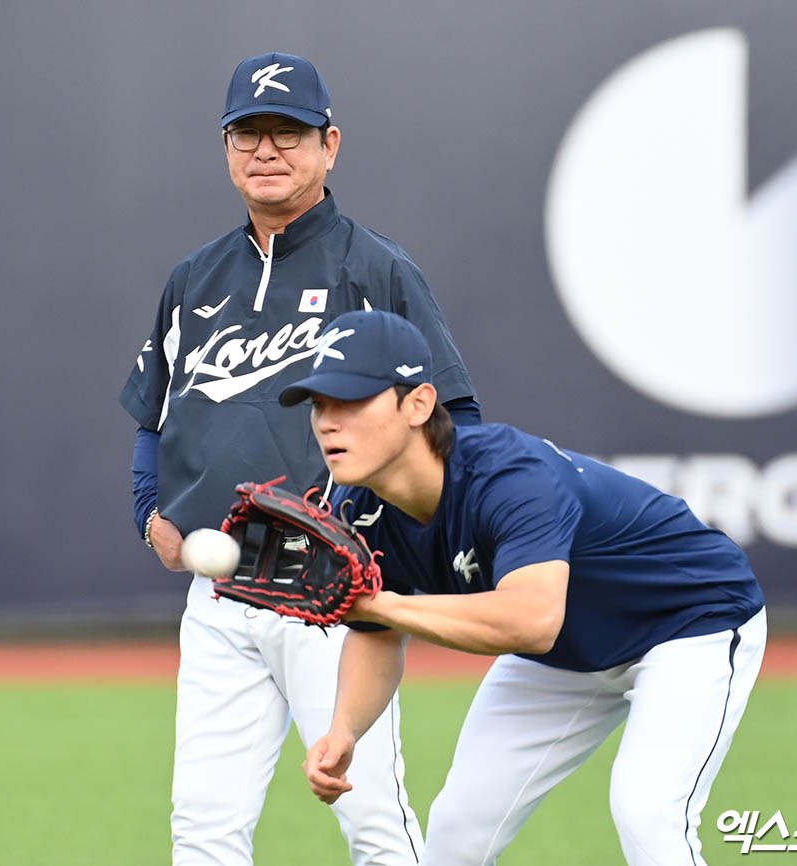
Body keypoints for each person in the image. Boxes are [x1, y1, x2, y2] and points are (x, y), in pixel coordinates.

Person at [119, 53, 480, 866]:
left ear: (330, 145)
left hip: (335, 598)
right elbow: (152, 418)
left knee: (375, 823)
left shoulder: (376, 269)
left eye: (289, 132)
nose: (266, 150)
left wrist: (381, 546)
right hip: (221, 596)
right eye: (247, 132)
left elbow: (451, 416)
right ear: (225, 147)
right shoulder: (193, 279)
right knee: (203, 832)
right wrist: (151, 515)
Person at [283, 310, 767, 866]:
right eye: (319, 404)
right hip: (567, 655)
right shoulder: (358, 510)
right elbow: (376, 631)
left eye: (351, 400)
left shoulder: (509, 478)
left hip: (688, 623)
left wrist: (382, 603)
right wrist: (344, 728)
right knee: (457, 833)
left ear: (418, 405)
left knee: (649, 813)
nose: (326, 422)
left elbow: (532, 622)